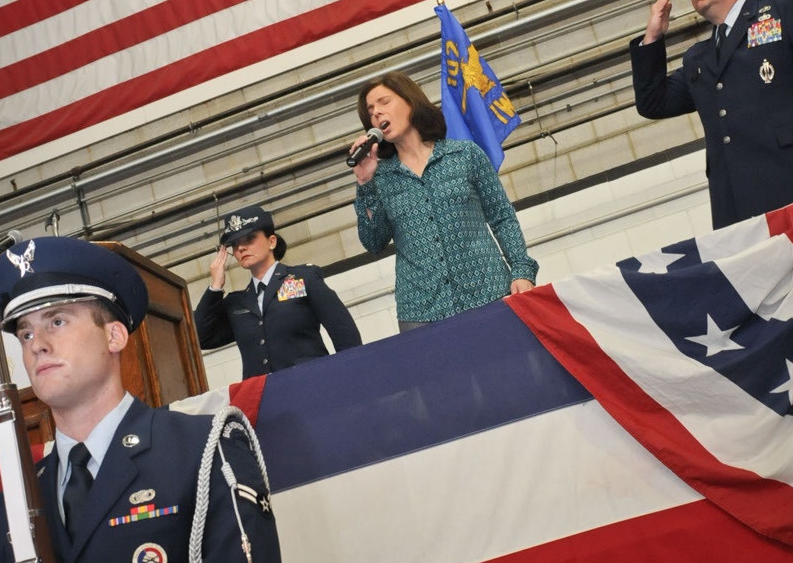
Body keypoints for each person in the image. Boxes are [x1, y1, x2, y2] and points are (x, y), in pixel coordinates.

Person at [0, 236, 285, 563]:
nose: (37, 347)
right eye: (26, 333)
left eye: (58, 321)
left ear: (114, 336)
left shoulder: (203, 450)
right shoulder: (13, 504)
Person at [630, 0, 793, 229]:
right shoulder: (699, 58)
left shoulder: (785, 9)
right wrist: (653, 36)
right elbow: (653, 102)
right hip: (739, 211)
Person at [350, 71, 538, 331]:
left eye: (384, 102)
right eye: (370, 111)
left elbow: (501, 216)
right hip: (422, 313)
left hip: (488, 292)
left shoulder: (464, 154)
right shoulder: (379, 178)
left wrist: (521, 271)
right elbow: (373, 242)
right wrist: (365, 184)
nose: (377, 113)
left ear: (410, 102)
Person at [194, 206, 361, 378]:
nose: (241, 248)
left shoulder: (303, 279)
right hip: (263, 398)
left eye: (249, 239)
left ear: (271, 241)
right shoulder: (237, 303)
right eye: (235, 245)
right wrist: (215, 287)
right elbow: (200, 338)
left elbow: (345, 335)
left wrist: (348, 381)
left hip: (312, 387)